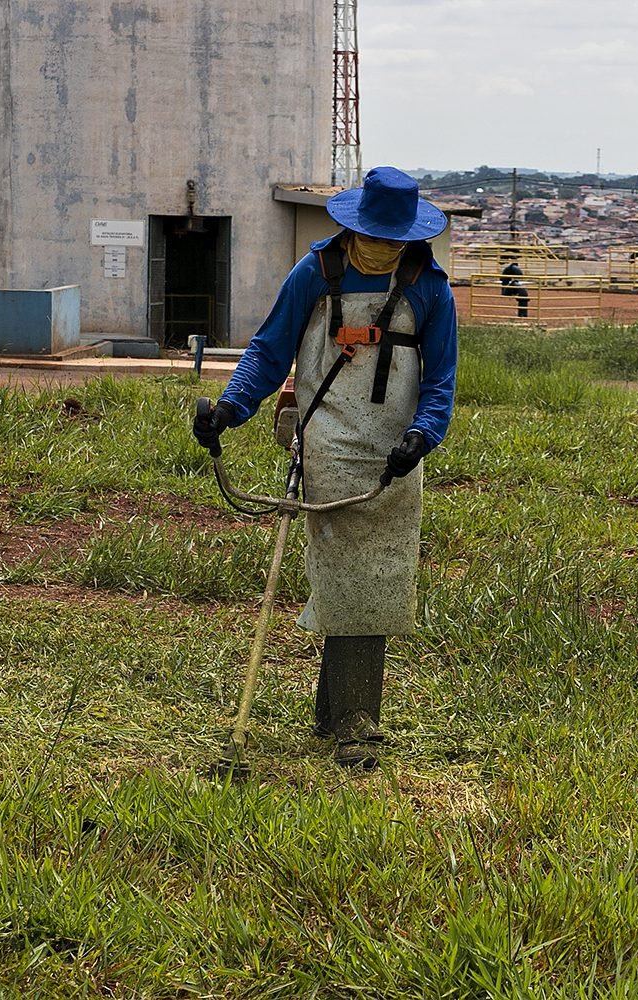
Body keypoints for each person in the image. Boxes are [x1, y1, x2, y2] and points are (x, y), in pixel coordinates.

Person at [192, 166, 457, 770]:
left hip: (396, 456)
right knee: (348, 577)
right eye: (376, 235)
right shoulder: (315, 272)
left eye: (395, 239)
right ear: (354, 224)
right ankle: (358, 724)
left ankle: (336, 714)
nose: (385, 248)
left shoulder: (428, 287)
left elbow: (440, 379)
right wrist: (231, 407)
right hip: (330, 444)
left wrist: (423, 436)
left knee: (380, 581)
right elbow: (268, 349)